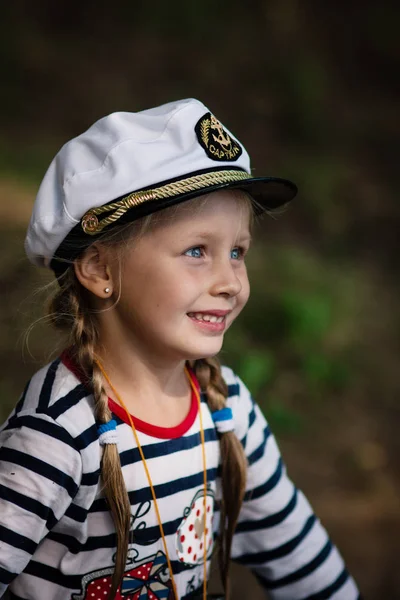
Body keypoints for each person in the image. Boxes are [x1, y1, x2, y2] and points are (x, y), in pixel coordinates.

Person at [0, 99, 360, 600]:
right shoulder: (58, 435)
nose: (230, 281)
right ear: (100, 270)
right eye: (197, 251)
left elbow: (302, 560)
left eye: (238, 251)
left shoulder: (228, 410)